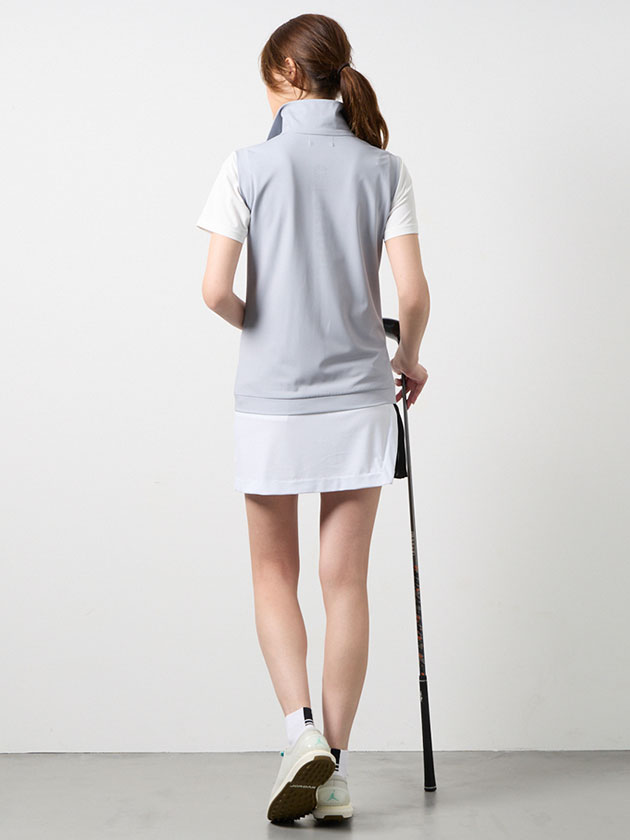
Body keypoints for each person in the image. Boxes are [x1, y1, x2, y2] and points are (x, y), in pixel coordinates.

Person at [195, 13, 430, 824]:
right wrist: (408, 359)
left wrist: (263, 323)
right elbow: (413, 297)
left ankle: (300, 735)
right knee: (346, 583)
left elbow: (214, 291)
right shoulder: (384, 168)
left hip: (272, 404)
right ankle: (334, 772)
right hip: (361, 399)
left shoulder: (246, 165)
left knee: (274, 574)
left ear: (287, 77)